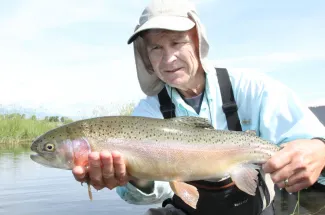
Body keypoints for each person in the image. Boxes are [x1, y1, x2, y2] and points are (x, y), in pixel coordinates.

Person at [72, 0, 325, 214]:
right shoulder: (147, 114)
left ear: (196, 40)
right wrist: (137, 177)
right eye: (156, 48)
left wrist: (318, 149)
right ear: (146, 56)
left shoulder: (253, 88)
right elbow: (144, 196)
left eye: (177, 42)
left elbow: (310, 139)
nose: (169, 59)